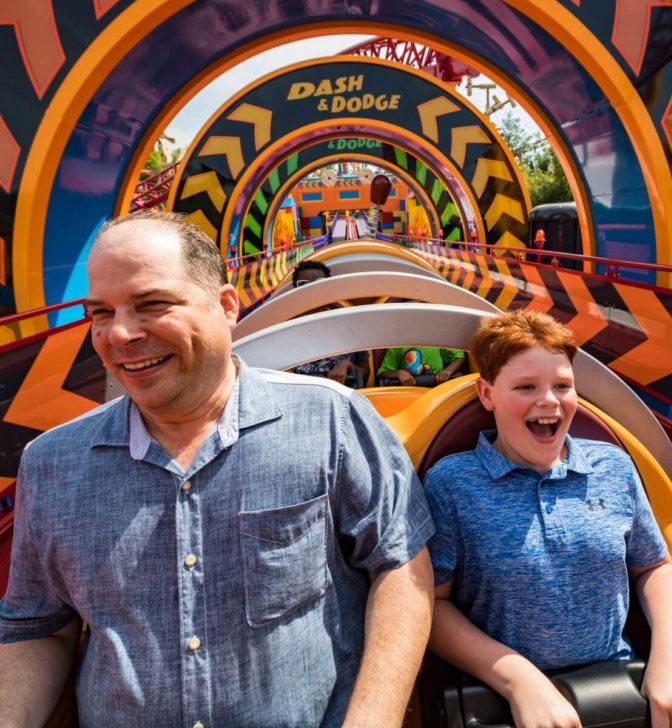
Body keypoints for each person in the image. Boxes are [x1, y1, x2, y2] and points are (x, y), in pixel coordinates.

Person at [0, 210, 435, 728]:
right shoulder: (52, 464)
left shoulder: (331, 421)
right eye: (100, 313)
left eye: (152, 304)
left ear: (226, 306)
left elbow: (400, 564)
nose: (118, 334)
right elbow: (38, 626)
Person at [424, 309, 672, 728]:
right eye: (526, 386)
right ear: (487, 395)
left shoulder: (613, 467)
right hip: (502, 701)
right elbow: (431, 604)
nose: (550, 401)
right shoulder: (452, 484)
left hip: (618, 687)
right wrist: (518, 680)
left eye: (562, 385)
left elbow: (653, 564)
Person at [291, 260, 370, 386]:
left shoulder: (349, 325)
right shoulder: (285, 328)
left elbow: (365, 373)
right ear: (295, 288)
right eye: (304, 284)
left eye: (319, 284)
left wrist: (347, 365)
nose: (312, 289)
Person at [377, 346, 466, 386]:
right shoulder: (398, 345)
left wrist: (448, 371)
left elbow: (459, 357)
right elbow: (383, 372)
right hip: (409, 393)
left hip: (437, 389)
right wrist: (398, 373)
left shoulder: (437, 340)